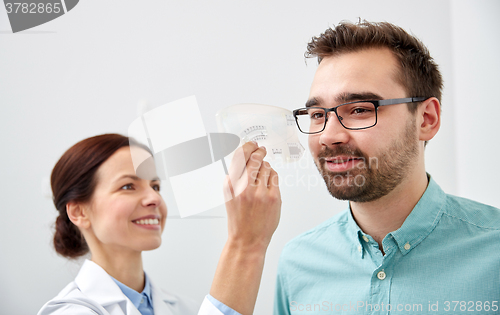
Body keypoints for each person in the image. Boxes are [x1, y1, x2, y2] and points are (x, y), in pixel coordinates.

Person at [274, 20, 500, 314]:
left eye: (359, 109)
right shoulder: (297, 263)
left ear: (426, 119)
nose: (328, 136)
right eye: (318, 114)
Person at [38, 133, 281, 315]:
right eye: (128, 186)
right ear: (79, 212)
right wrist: (245, 243)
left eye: (155, 186)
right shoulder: (70, 311)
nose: (154, 198)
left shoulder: (185, 307)